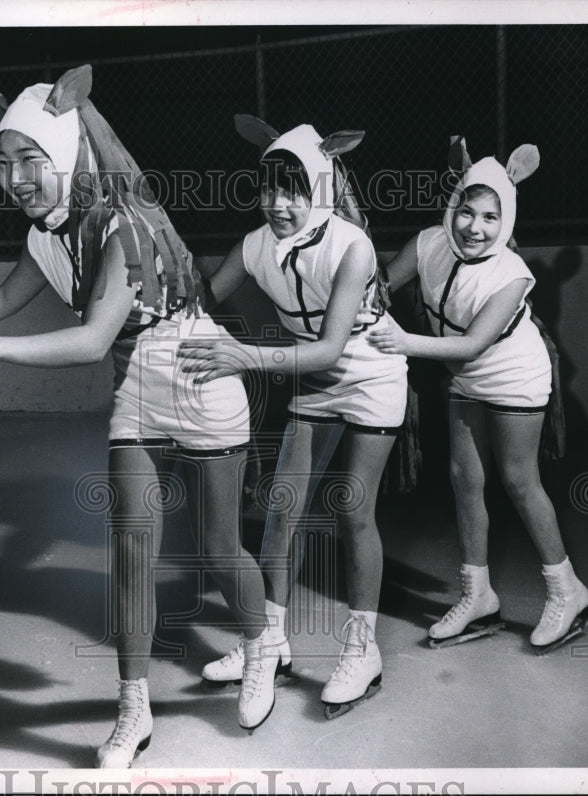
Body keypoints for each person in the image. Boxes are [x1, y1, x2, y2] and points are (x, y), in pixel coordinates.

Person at [0, 66, 277, 767]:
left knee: (217, 545)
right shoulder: (50, 232)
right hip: (139, 389)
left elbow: (88, 340)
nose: (13, 176)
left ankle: (263, 644)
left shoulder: (124, 226)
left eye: (29, 159)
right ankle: (132, 707)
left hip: (203, 382)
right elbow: (2, 297)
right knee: (133, 551)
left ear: (68, 153)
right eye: (2, 160)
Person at [179, 117, 408, 719]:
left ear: (323, 188)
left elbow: (333, 347)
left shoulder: (351, 246)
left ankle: (363, 650)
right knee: (283, 508)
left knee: (353, 508)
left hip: (369, 369)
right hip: (312, 377)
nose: (279, 205)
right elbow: (203, 297)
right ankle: (271, 641)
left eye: (295, 190)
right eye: (269, 189)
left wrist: (242, 355)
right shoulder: (256, 245)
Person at [370, 137, 588, 654]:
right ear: (453, 207)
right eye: (468, 212)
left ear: (507, 219)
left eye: (491, 217)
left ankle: (568, 591)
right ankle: (478, 596)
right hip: (465, 377)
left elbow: (472, 344)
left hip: (514, 373)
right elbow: (380, 286)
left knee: (518, 481)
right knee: (464, 480)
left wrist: (403, 343)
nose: (475, 227)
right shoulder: (428, 242)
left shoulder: (513, 274)